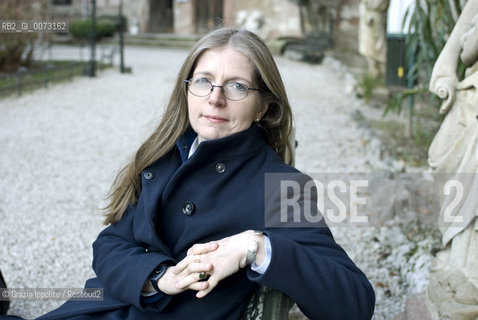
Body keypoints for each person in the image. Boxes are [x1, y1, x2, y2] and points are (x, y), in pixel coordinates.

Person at [2, 27, 375, 320]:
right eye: (203, 81)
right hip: (104, 306)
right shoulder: (163, 156)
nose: (215, 97)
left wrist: (255, 247)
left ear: (263, 106)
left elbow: (354, 303)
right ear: (187, 90)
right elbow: (109, 245)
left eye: (237, 86)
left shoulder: (282, 187)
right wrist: (157, 278)